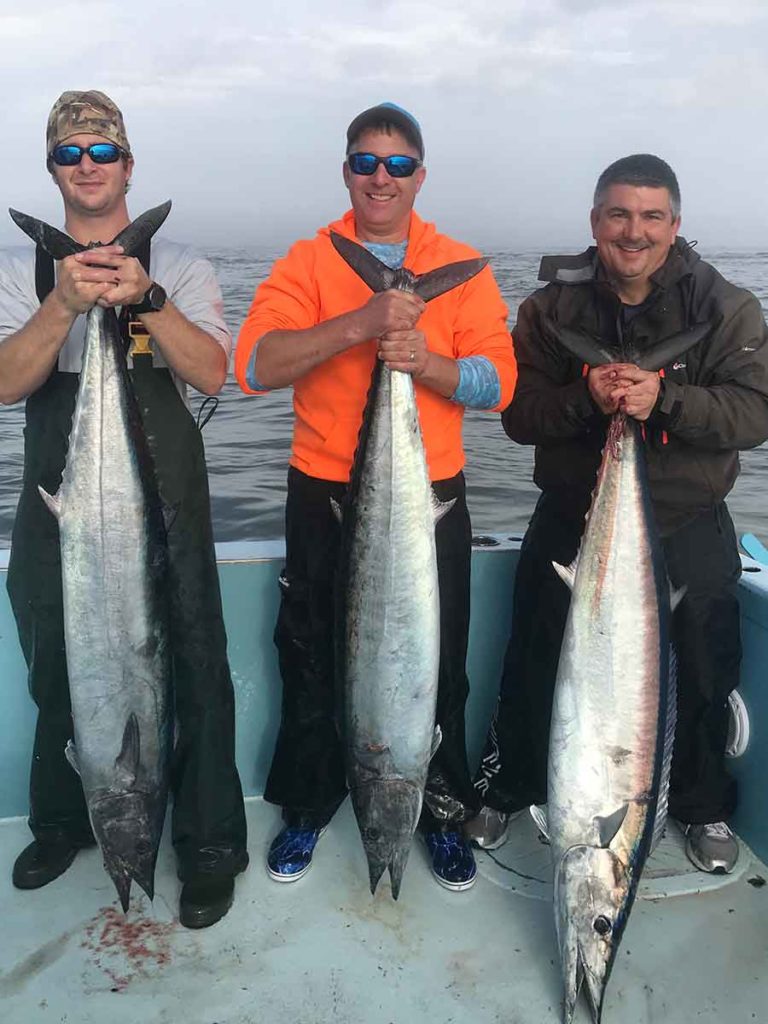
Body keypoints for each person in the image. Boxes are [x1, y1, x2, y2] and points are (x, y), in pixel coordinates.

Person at [235, 102, 516, 891]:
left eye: (397, 165)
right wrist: (364, 320)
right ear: (347, 170)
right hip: (323, 489)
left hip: (428, 495)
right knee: (311, 655)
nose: (381, 178)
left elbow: (499, 381)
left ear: (419, 174)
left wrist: (422, 362)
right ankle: (308, 801)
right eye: (366, 162)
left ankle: (442, 809)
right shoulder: (309, 259)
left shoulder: (462, 264)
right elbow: (255, 364)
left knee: (440, 660)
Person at [466, 154, 768, 874]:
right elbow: (520, 416)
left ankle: (700, 806)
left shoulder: (725, 307)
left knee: (702, 661)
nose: (635, 231)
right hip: (575, 513)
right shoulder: (550, 309)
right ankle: (509, 788)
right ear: (596, 221)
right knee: (537, 653)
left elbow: (756, 413)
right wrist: (587, 398)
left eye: (652, 216)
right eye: (620, 214)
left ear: (675, 225)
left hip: (687, 518)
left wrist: (664, 399)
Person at [0, 90, 248, 927]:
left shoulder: (179, 267)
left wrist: (143, 299)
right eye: (69, 154)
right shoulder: (18, 270)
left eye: (100, 151)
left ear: (128, 164)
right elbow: (5, 384)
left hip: (166, 507)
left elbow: (214, 374)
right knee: (56, 663)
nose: (86, 166)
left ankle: (210, 844)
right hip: (61, 504)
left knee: (198, 669)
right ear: (53, 168)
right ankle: (65, 821)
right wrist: (64, 303)